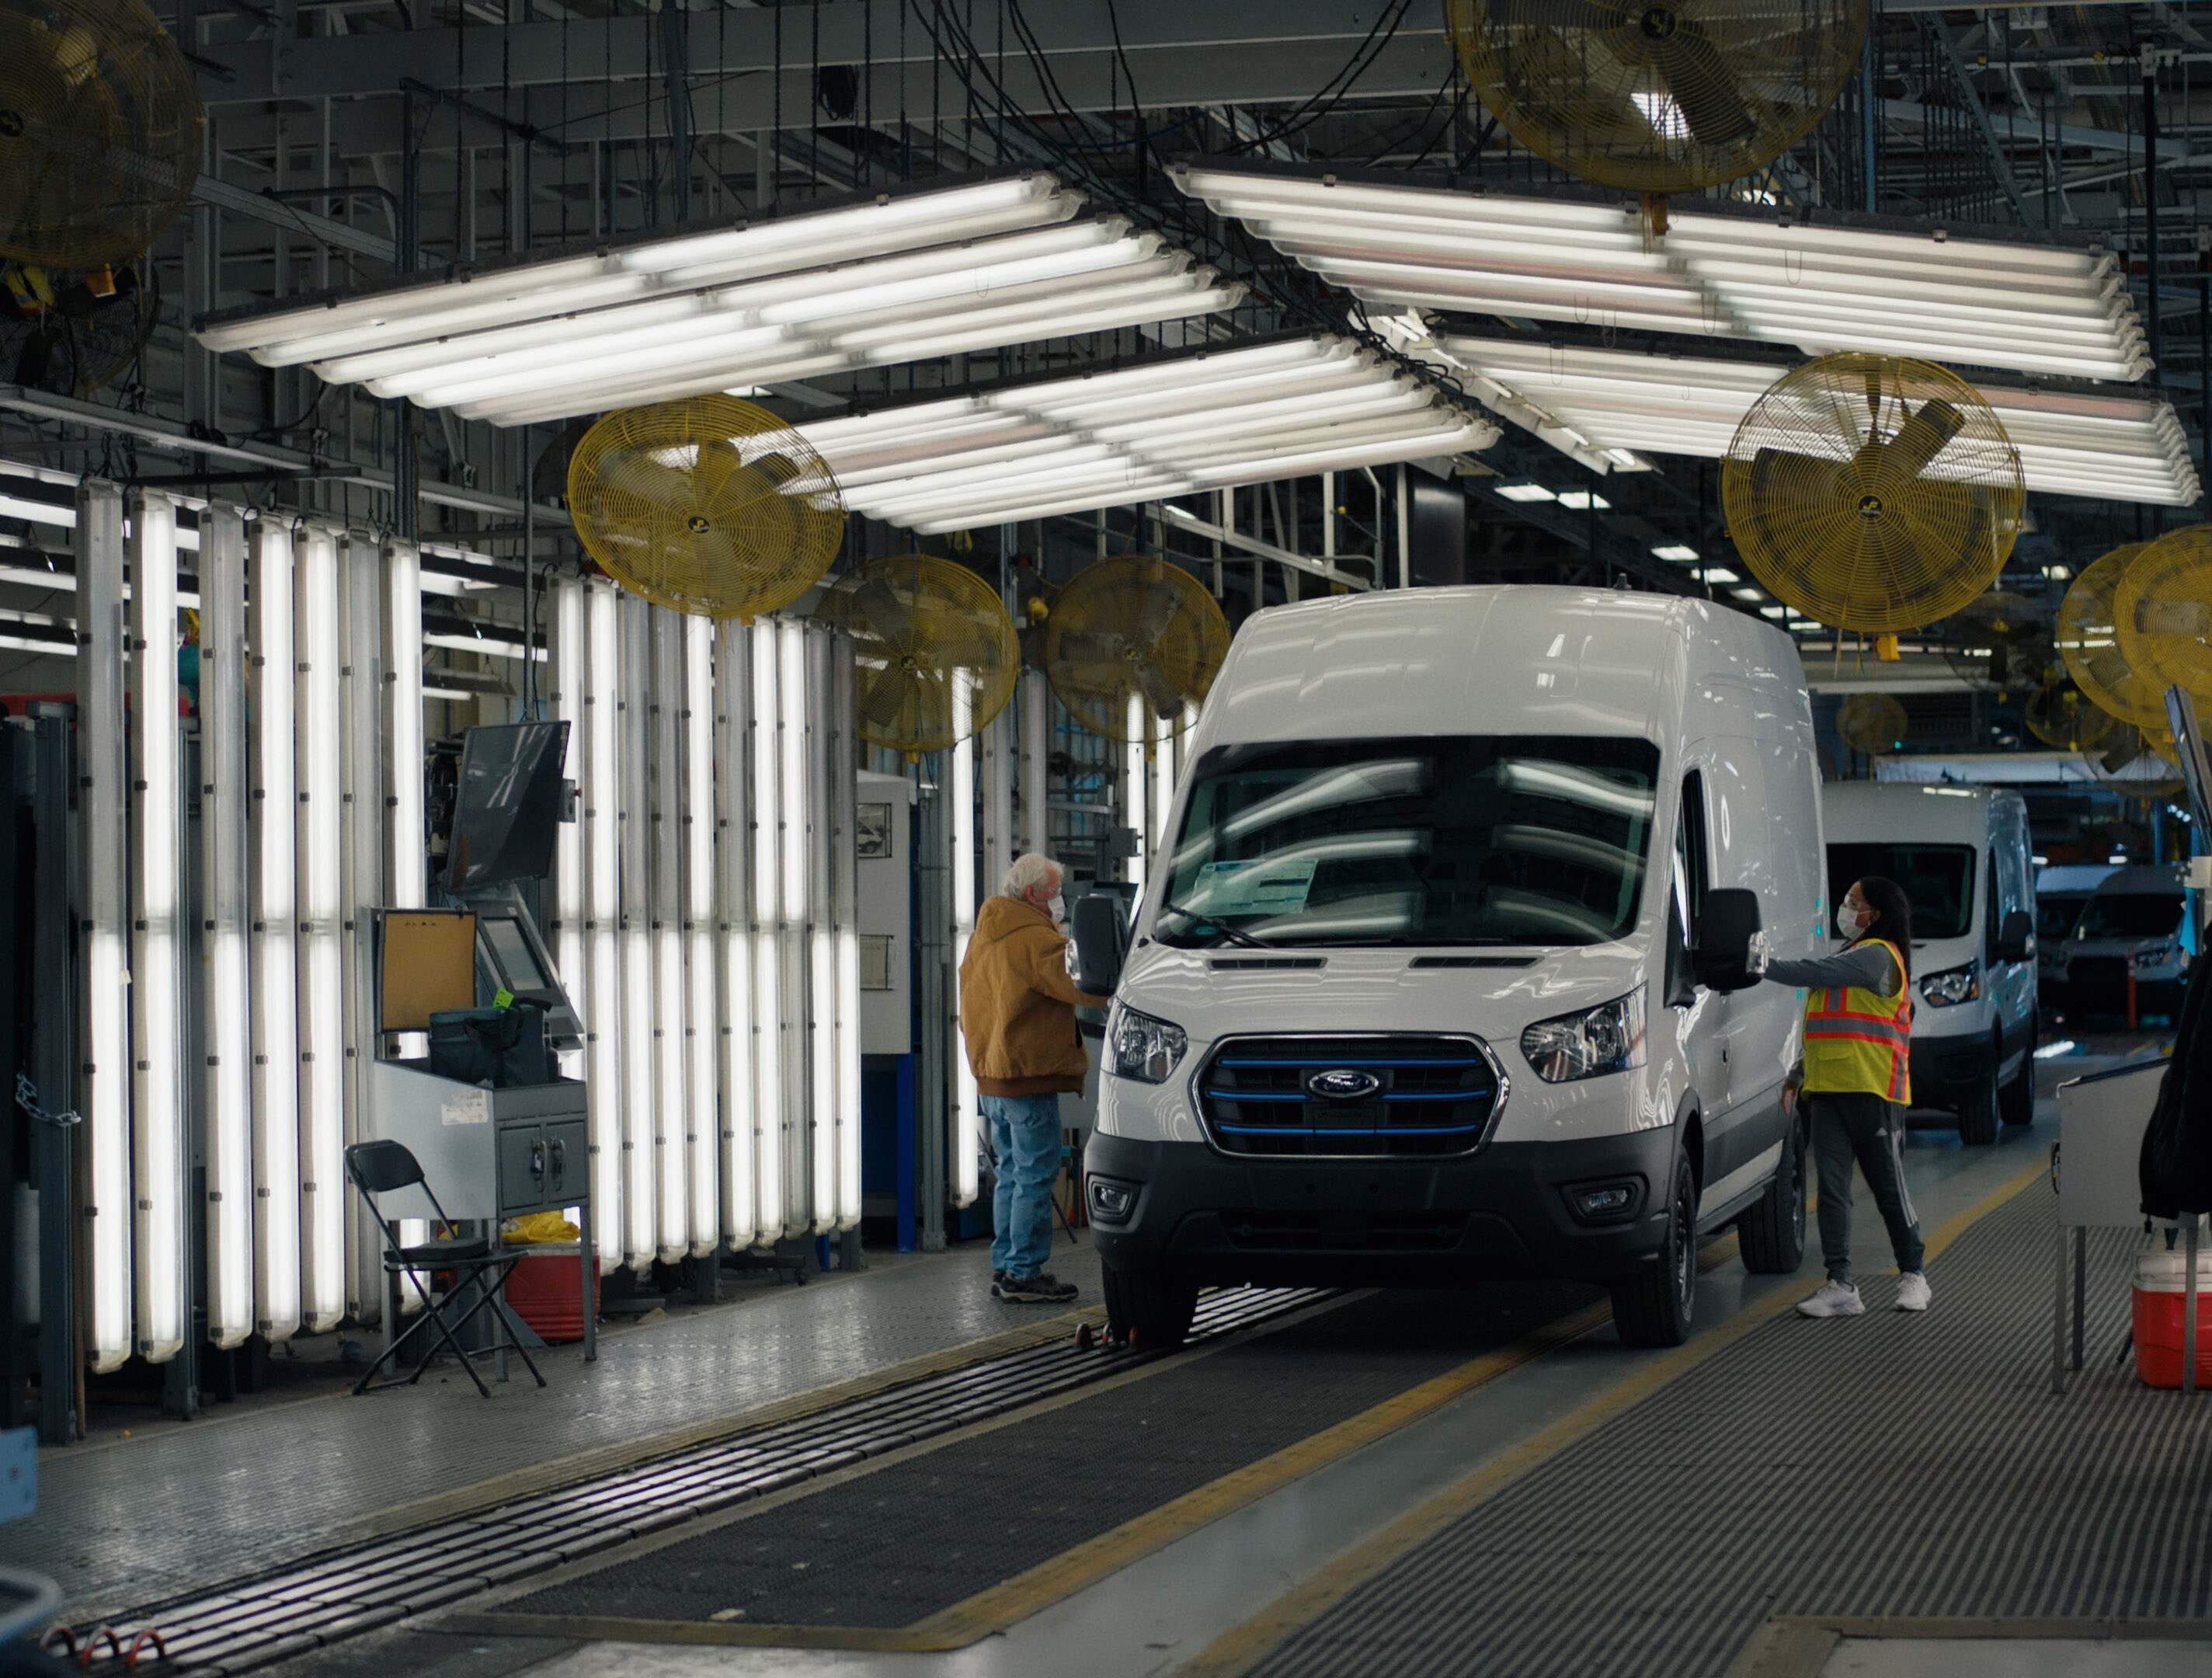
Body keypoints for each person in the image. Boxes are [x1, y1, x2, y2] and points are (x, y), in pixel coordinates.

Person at [1756, 876, 1931, 1318]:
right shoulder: (1851, 954)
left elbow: (1815, 973)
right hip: (1829, 1090)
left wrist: (1763, 965)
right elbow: (1824, 1023)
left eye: (1854, 901)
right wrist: (1798, 1072)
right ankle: (1841, 1284)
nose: (1846, 907)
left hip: (1874, 1090)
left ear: (1876, 914)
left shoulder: (1878, 957)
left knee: (1888, 1189)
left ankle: (1914, 1274)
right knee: (1832, 1191)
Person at [959, 853, 1111, 1304]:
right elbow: (1080, 984)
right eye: (1054, 892)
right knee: (1035, 1175)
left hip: (992, 1078)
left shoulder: (985, 935)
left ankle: (1006, 1264)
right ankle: (1025, 1272)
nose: (1059, 901)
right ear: (1031, 895)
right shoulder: (1033, 938)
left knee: (1011, 1173)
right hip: (1027, 1078)